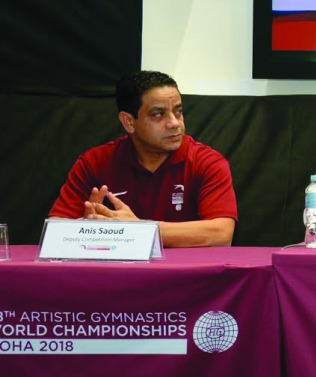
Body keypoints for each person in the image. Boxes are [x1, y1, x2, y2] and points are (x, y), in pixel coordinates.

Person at [49, 71, 237, 247]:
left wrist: (138, 228)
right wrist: (86, 227)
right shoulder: (94, 162)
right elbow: (54, 231)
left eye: (178, 111)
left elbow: (221, 234)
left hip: (184, 278)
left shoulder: (207, 162)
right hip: (116, 277)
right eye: (158, 114)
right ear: (129, 122)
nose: (175, 123)